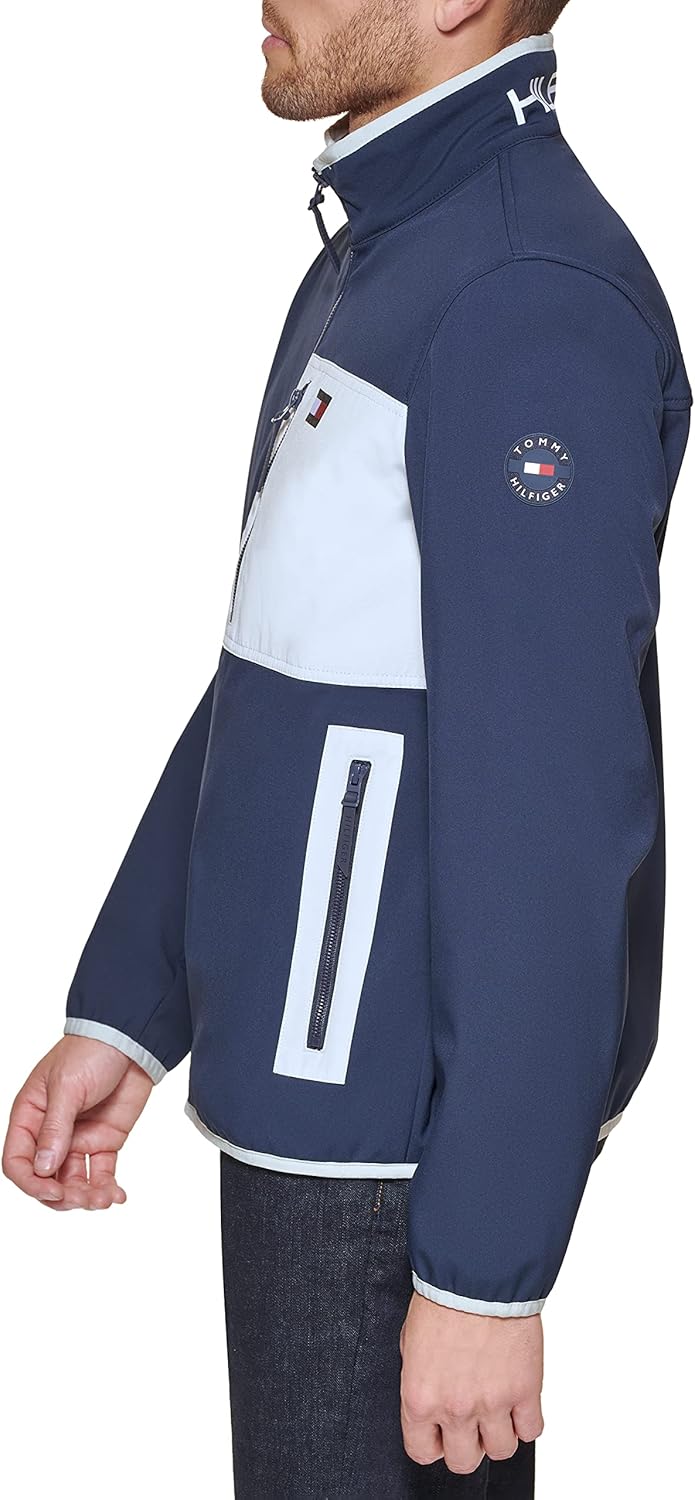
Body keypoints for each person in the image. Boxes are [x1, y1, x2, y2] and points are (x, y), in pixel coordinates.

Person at [3, 2, 691, 1496]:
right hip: (308, 1115)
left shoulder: (524, 295)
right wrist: (134, 1006)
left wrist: (487, 1270)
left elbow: (556, 815)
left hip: (393, 1162)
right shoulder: (386, 254)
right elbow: (283, 675)